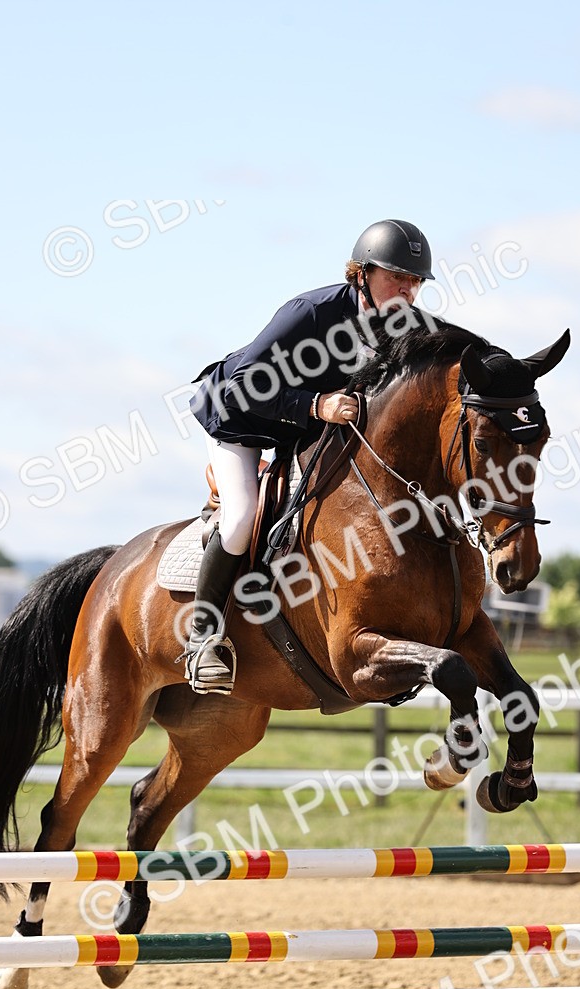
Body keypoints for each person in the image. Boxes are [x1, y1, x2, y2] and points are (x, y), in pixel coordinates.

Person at [185, 219, 434, 695]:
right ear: (361, 274)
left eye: (414, 281)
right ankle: (203, 637)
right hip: (242, 419)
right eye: (396, 277)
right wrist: (315, 405)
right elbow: (244, 386)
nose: (407, 289)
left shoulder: (406, 325)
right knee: (241, 518)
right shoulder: (310, 312)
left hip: (303, 435)